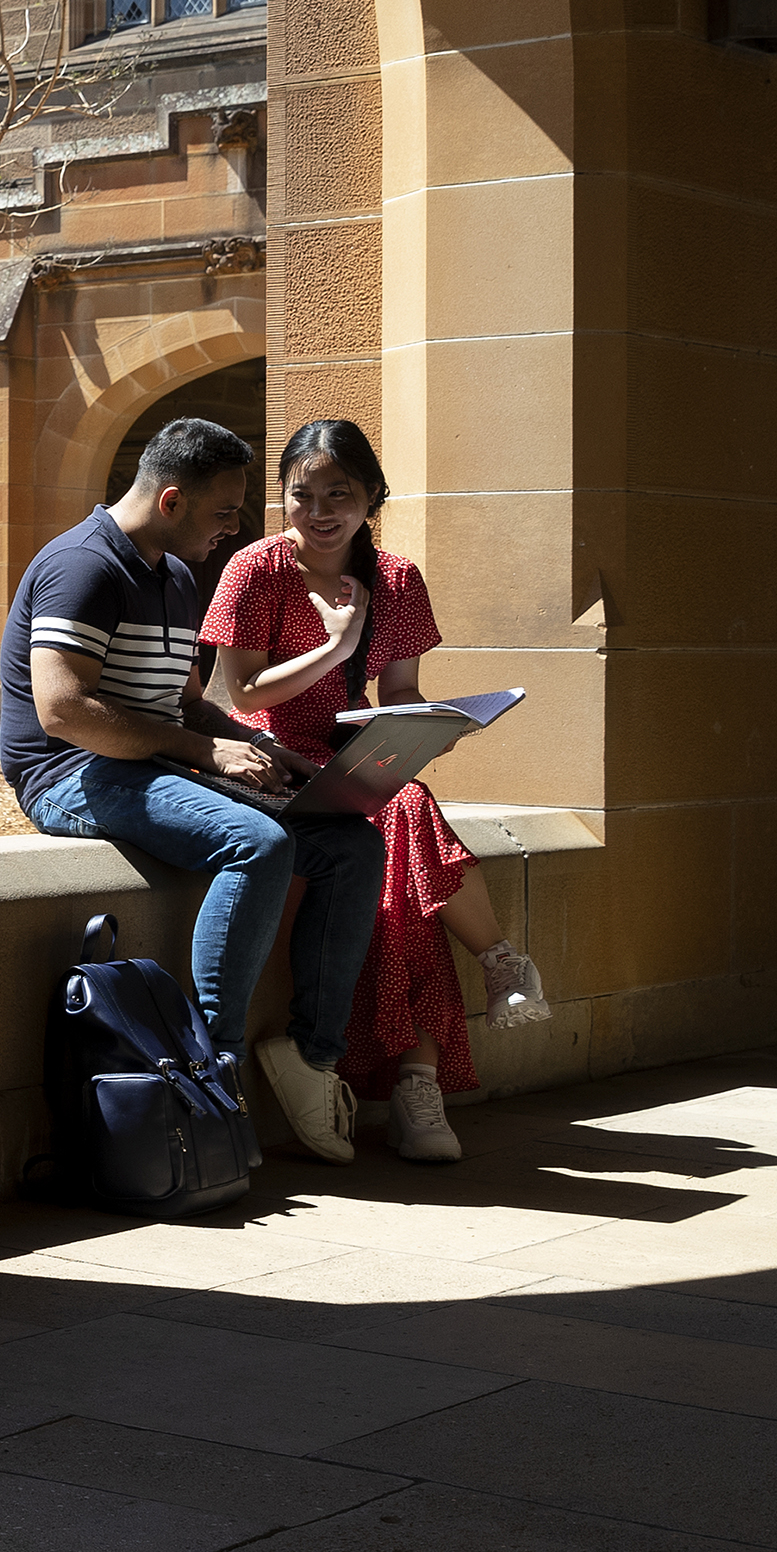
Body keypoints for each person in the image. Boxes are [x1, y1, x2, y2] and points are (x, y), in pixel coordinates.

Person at [0, 416, 388, 1163]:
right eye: (223, 510)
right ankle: (216, 1067)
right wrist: (203, 750)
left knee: (349, 842)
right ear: (171, 501)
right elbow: (63, 710)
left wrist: (259, 746)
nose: (237, 525)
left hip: (152, 764)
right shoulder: (83, 565)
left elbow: (187, 704)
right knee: (258, 842)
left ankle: (312, 1054)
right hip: (71, 775)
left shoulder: (175, 576)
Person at [200, 418, 550, 1165]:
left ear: (371, 499)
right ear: (283, 498)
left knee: (403, 831)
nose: (320, 510)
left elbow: (399, 691)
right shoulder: (254, 569)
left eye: (340, 494)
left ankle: (423, 1074)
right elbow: (241, 688)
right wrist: (335, 644)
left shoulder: (395, 579)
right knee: (407, 826)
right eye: (303, 494)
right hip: (263, 753)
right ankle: (473, 1001)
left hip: (347, 752)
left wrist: (429, 727)